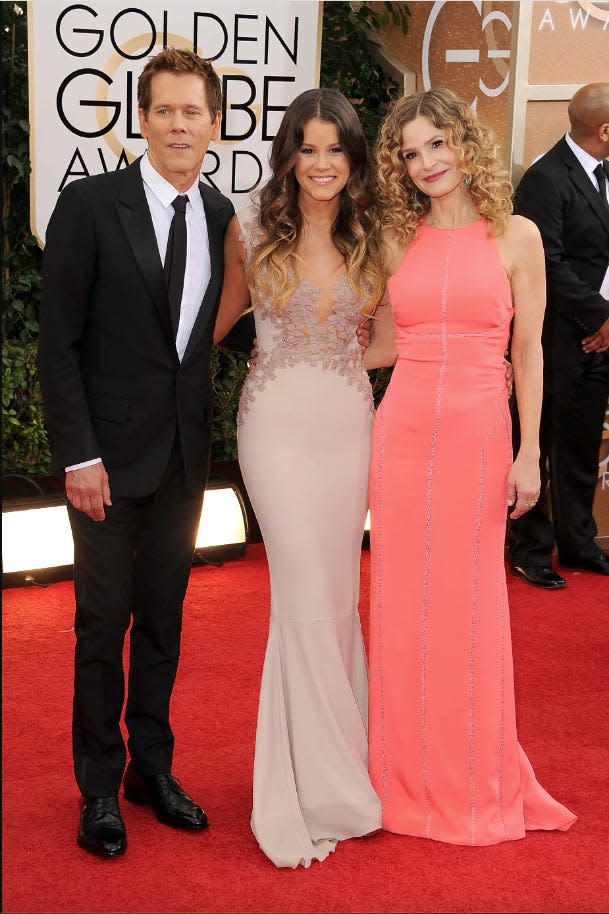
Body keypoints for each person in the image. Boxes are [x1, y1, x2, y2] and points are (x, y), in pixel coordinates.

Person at [38, 48, 242, 858]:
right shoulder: (90, 205)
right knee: (100, 623)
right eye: (165, 110)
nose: (180, 125)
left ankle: (149, 770)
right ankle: (97, 787)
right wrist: (77, 455)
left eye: (194, 112)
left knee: (164, 622)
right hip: (104, 464)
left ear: (216, 124)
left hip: (184, 458)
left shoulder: (227, 216)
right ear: (143, 120)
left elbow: (221, 335)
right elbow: (59, 346)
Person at [363, 88, 577, 845]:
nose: (425, 163)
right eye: (410, 152)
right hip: (401, 435)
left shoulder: (515, 235)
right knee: (398, 607)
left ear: (464, 143)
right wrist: (297, 354)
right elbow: (381, 346)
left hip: (479, 437)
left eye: (436, 144)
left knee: (471, 606)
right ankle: (402, 774)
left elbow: (529, 351)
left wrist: (528, 455)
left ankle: (473, 773)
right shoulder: (393, 238)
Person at [213, 88, 385, 867]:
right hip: (274, 426)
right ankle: (306, 783)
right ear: (289, 154)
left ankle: (340, 760)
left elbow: (391, 338)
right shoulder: (250, 226)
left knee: (338, 593)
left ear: (353, 157)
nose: (321, 164)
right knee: (301, 594)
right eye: (307, 148)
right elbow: (214, 323)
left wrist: (333, 352)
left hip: (346, 423)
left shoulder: (376, 234)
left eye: (335, 149)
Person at [508, 82, 609, 589]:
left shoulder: (605, 174)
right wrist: (599, 318)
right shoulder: (545, 179)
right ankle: (530, 548)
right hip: (551, 341)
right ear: (604, 129)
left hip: (598, 339)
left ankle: (579, 541)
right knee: (537, 446)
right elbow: (545, 262)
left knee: (580, 446)